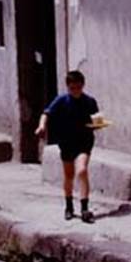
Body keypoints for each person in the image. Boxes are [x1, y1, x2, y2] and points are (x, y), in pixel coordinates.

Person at [35, 70, 98, 223]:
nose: (75, 91)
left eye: (78, 87)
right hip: (67, 142)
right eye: (72, 88)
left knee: (82, 170)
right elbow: (46, 113)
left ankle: (84, 208)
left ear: (82, 85)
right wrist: (41, 126)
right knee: (69, 175)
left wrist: (97, 125)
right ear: (68, 87)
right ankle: (69, 206)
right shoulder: (61, 100)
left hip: (84, 141)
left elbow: (97, 120)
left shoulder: (89, 101)